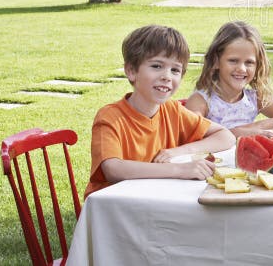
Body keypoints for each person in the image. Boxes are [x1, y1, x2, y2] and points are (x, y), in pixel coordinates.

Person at [85, 25, 235, 198]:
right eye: (156, 66)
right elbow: (113, 168)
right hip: (115, 209)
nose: (167, 76)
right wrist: (179, 169)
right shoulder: (110, 117)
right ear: (131, 71)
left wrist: (178, 152)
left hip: (155, 201)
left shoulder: (173, 110)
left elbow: (226, 137)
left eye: (175, 70)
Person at [185, 21, 273, 136]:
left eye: (249, 62)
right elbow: (192, 133)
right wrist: (243, 131)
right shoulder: (201, 101)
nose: (241, 69)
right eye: (233, 61)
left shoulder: (254, 99)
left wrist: (257, 127)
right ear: (216, 61)